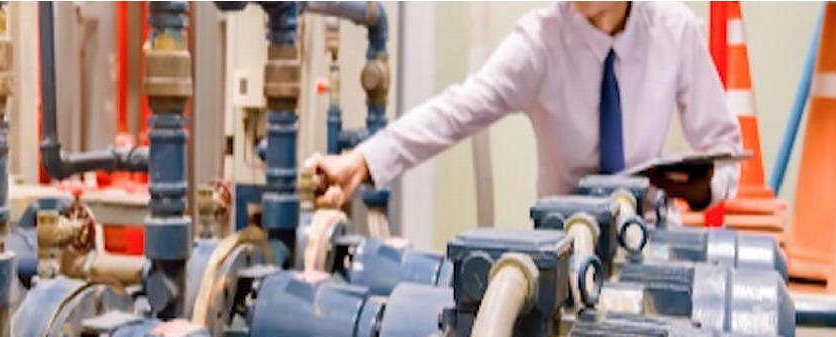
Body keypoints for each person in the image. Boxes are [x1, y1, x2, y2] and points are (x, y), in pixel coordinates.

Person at [307, 1, 742, 215]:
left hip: (650, 238)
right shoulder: (541, 42)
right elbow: (456, 111)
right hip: (566, 249)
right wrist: (362, 162)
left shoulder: (675, 32)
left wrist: (703, 191)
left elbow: (725, 148)